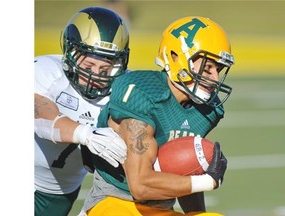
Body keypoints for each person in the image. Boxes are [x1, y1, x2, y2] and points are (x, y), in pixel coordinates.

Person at [79, 16, 234, 215]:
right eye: (207, 68)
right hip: (115, 201)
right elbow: (140, 186)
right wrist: (207, 181)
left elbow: (185, 168)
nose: (214, 78)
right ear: (176, 57)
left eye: (218, 70)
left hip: (160, 208)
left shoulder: (206, 110)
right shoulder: (142, 93)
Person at [34, 6, 130, 216]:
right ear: (72, 54)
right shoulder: (46, 70)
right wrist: (85, 134)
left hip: (57, 194)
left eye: (105, 69)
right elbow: (41, 115)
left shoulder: (126, 90)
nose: (96, 75)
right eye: (88, 65)